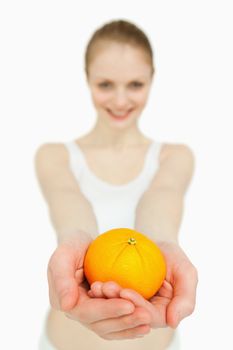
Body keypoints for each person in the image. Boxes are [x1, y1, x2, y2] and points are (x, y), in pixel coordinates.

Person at [35, 19, 198, 350]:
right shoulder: (54, 156)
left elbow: (160, 203)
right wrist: (76, 240)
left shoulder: (175, 156)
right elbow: (70, 206)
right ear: (87, 80)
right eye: (106, 84)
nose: (120, 100)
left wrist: (163, 242)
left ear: (152, 80)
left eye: (135, 84)